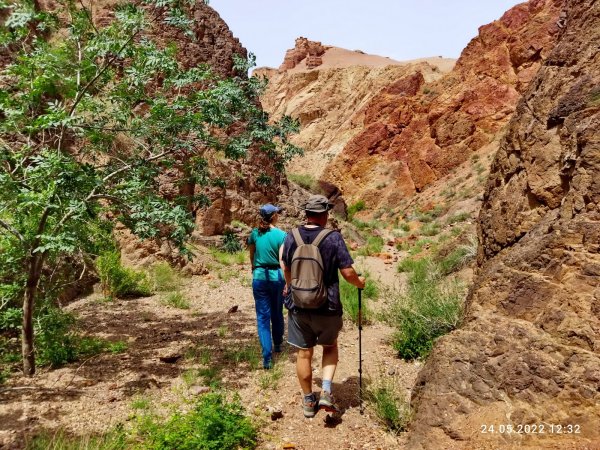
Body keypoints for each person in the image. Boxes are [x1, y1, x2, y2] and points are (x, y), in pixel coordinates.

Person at [281, 194, 365, 418]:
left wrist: (289, 287)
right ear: (325, 214)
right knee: (329, 346)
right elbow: (347, 272)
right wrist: (360, 283)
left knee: (303, 353)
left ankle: (309, 400)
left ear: (306, 213)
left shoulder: (291, 236)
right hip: (328, 306)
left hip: (299, 306)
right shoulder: (333, 237)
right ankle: (326, 391)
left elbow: (286, 267)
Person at [247, 204, 287, 369]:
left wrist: (253, 267)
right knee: (277, 312)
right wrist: (287, 282)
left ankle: (267, 358)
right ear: (274, 216)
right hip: (276, 277)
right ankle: (277, 344)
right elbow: (282, 260)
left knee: (263, 317)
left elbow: (251, 253)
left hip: (259, 277)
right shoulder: (282, 235)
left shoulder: (255, 233)